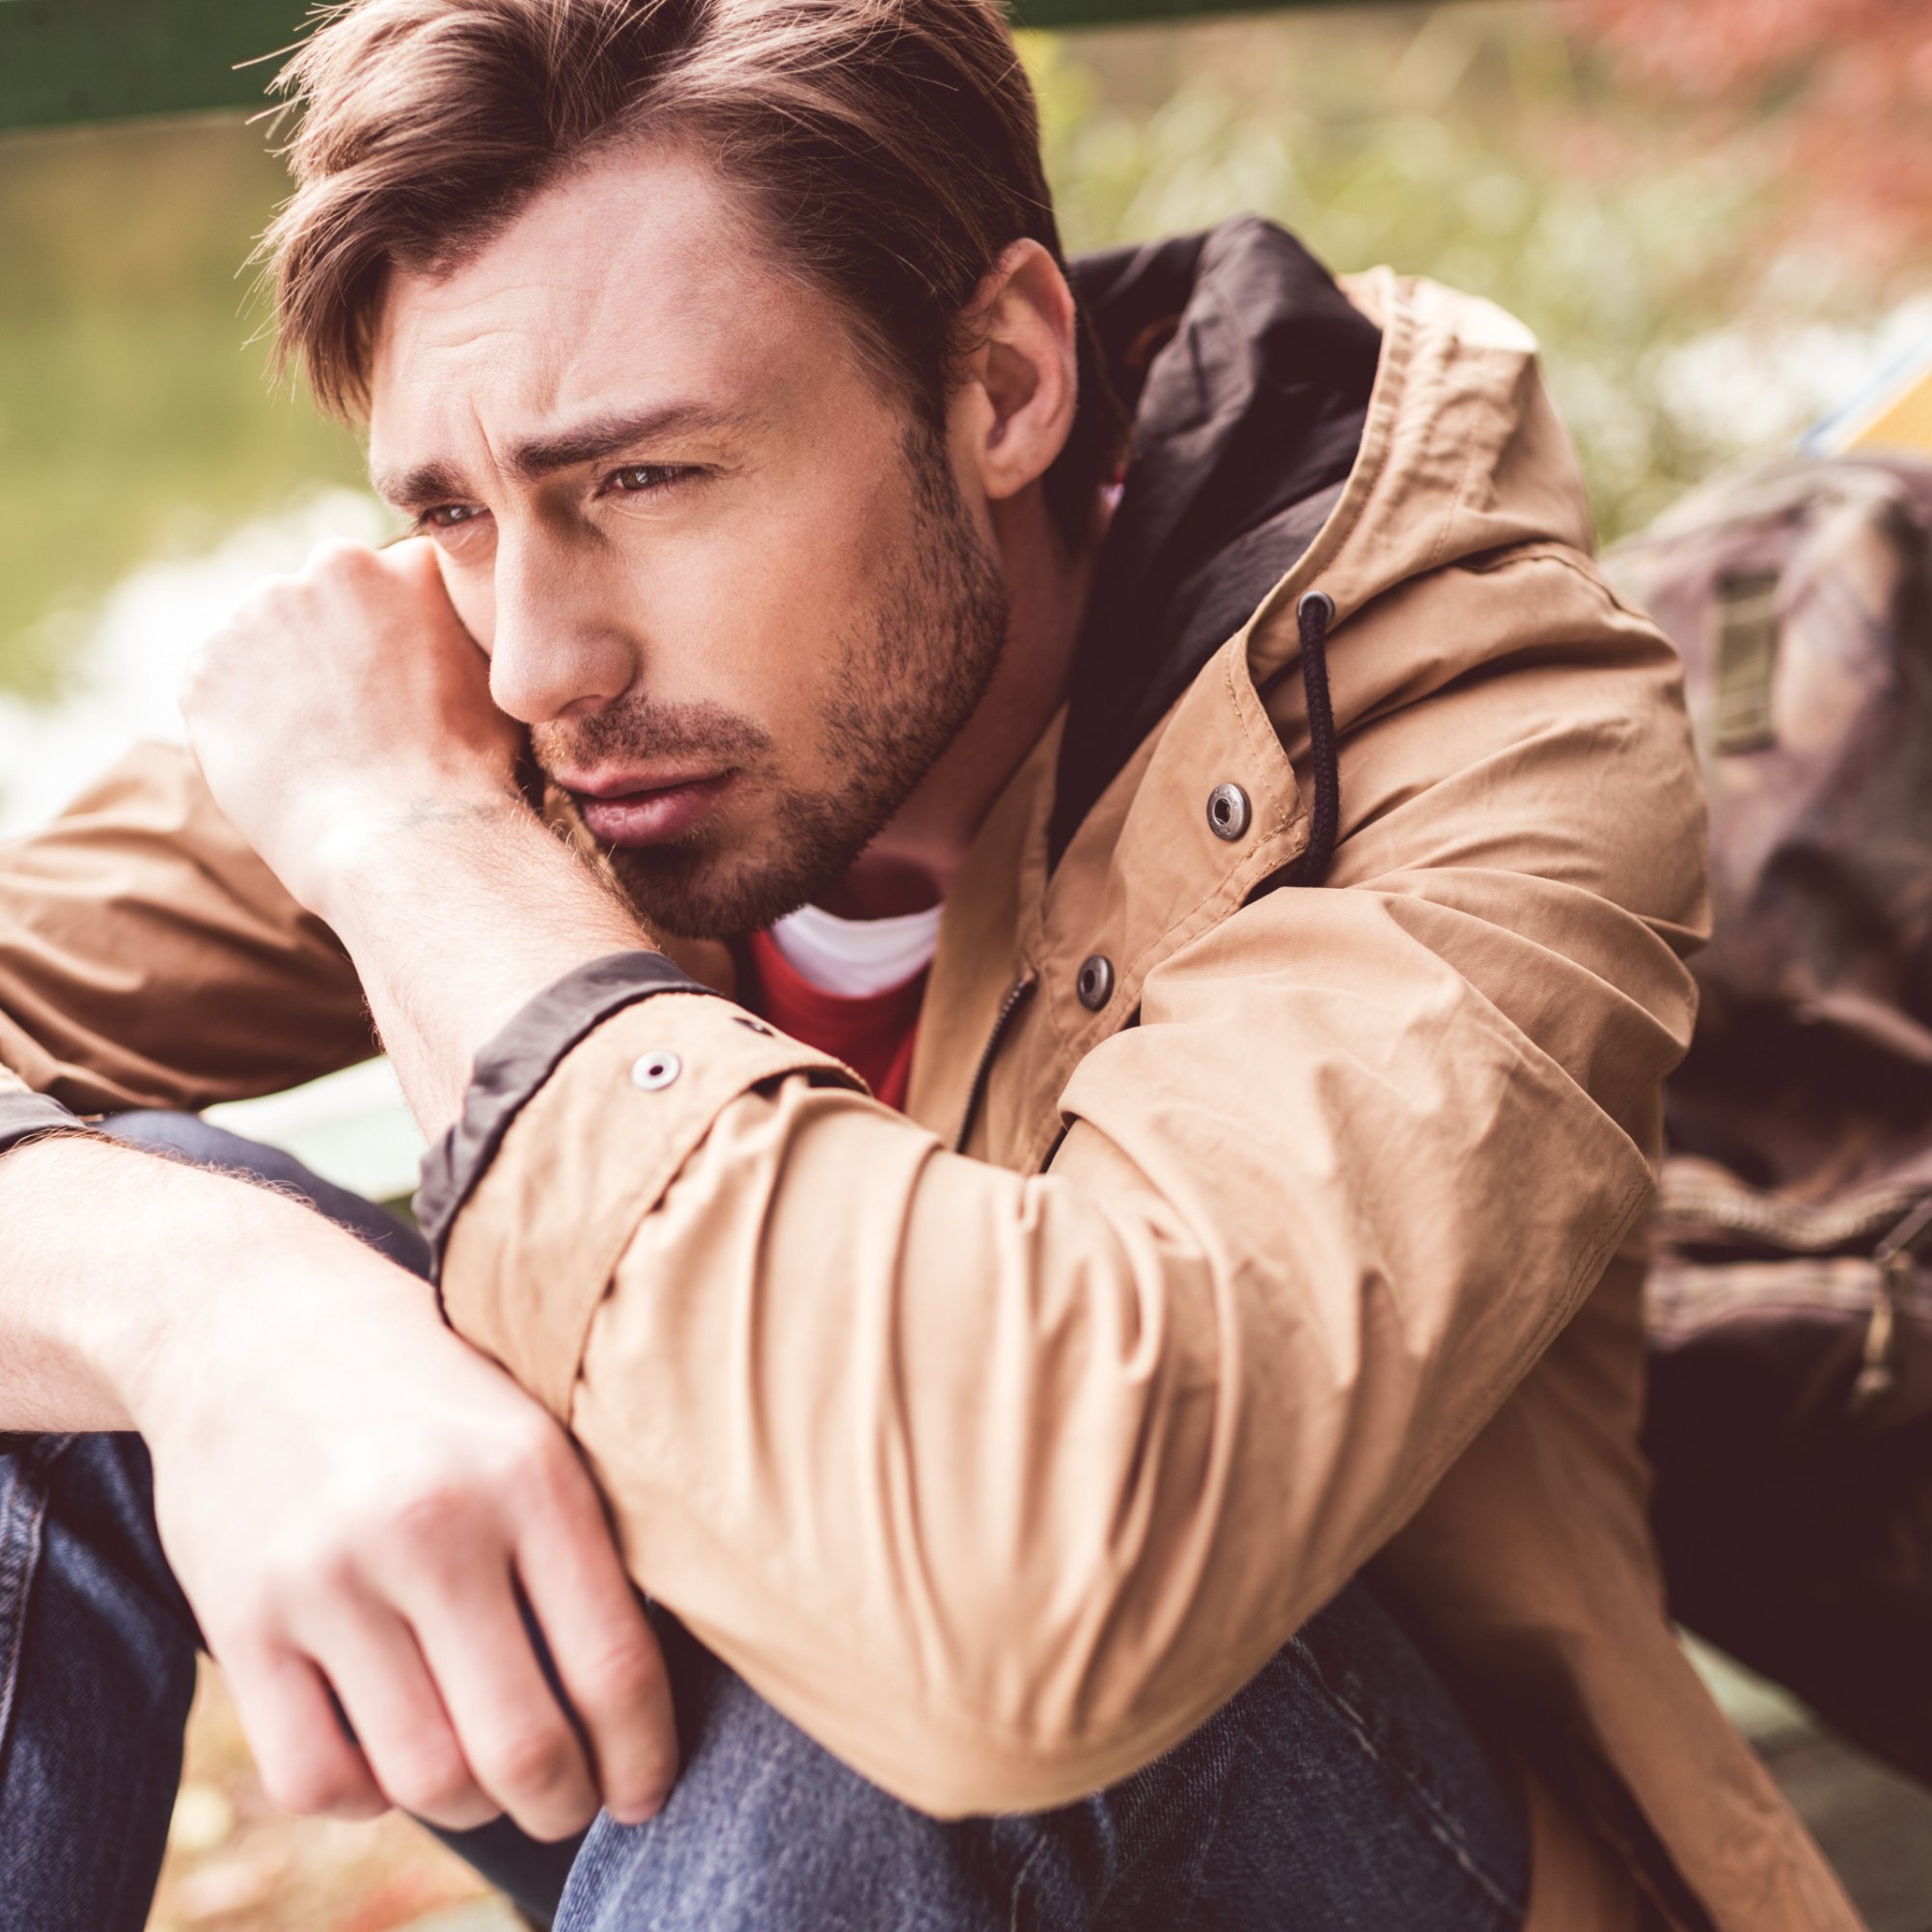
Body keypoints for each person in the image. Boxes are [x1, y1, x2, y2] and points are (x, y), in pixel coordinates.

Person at [0, 2, 1861, 1928]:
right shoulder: (512, 696)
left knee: (883, 1599)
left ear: (997, 381)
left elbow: (1010, 1592)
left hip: (1347, 1829)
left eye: (644, 478)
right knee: (90, 1285)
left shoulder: (1480, 730)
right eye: (452, 510)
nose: (540, 658)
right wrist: (216, 1312)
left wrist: (418, 852)